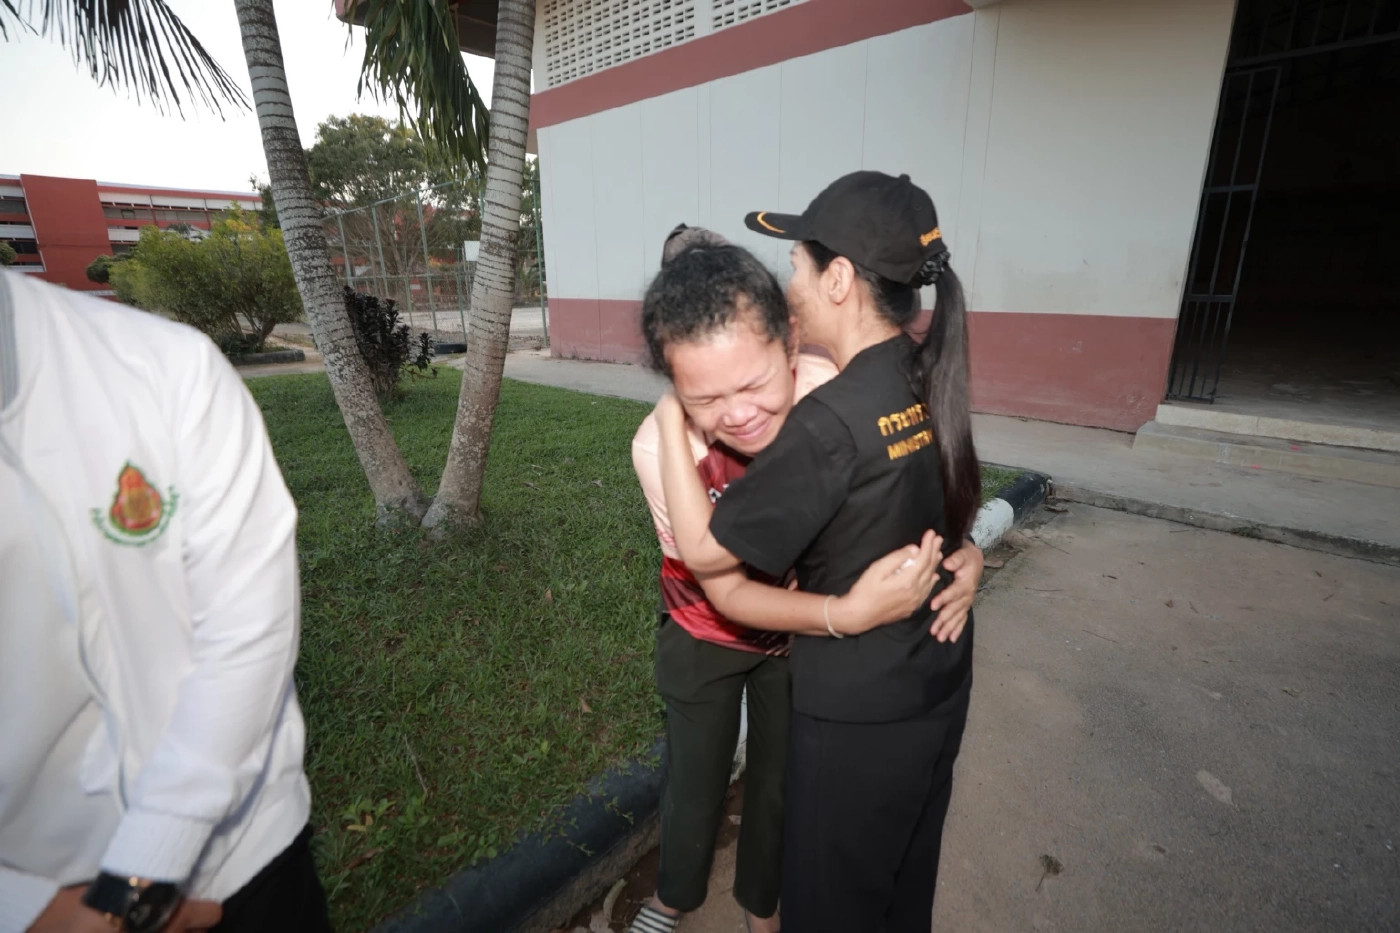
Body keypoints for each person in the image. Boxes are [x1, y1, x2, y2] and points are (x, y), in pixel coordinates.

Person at [627, 225, 984, 933]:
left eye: (756, 382)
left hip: (804, 638)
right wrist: (676, 417)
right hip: (709, 627)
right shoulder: (657, 444)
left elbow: (903, 487)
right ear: (673, 380)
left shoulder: (832, 396)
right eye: (702, 397)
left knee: (780, 788)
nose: (738, 414)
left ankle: (764, 905)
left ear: (793, 345)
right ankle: (676, 893)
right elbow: (713, 575)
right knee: (693, 781)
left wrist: (961, 549)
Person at [0, 270, 330, 933]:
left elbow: (249, 628)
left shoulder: (165, 365)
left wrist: (138, 877)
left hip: (247, 850)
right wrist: (28, 910)